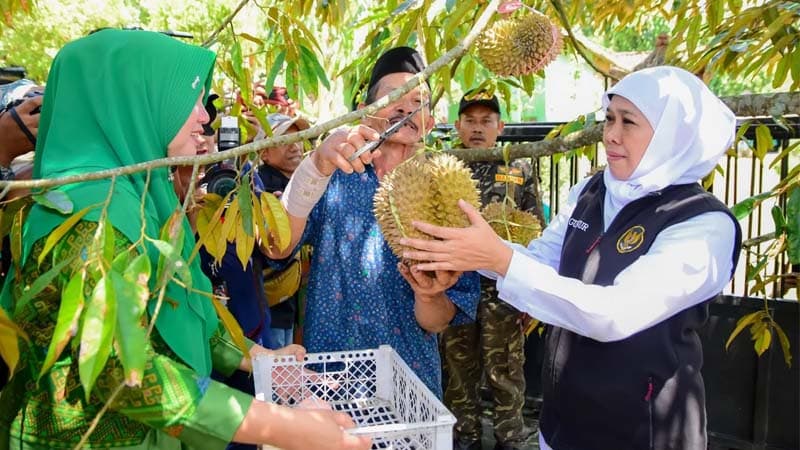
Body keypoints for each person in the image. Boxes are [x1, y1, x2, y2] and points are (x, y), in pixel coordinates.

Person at [0, 29, 370, 450]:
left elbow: (182, 305)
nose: (204, 117)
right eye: (189, 100)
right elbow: (122, 371)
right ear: (133, 103)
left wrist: (255, 357)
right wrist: (286, 428)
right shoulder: (89, 213)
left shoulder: (143, 194)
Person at [399, 66, 743, 450]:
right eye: (609, 118)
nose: (610, 134)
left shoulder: (703, 225)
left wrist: (498, 259)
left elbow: (615, 313)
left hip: (643, 431)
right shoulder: (591, 192)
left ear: (671, 136)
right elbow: (541, 260)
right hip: (563, 421)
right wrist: (464, 251)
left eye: (628, 122)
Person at [266, 47, 480, 397]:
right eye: (394, 96)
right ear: (366, 112)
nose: (405, 108)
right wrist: (314, 167)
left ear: (431, 119)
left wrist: (429, 294)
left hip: (411, 382)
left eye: (418, 101)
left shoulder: (448, 190)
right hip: (331, 378)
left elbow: (438, 320)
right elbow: (279, 246)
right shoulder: (335, 174)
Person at [443, 88, 540, 450]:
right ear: (458, 125)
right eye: (470, 120)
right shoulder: (446, 166)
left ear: (500, 126)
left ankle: (509, 439)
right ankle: (463, 438)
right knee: (457, 370)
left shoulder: (518, 167)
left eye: (486, 121)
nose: (478, 128)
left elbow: (535, 228)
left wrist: (530, 293)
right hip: (456, 285)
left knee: (506, 372)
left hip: (504, 288)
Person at [257, 113, 311, 348]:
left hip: (288, 308)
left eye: (297, 138)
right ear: (264, 153)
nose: (294, 147)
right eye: (283, 142)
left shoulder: (299, 184)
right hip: (270, 309)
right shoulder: (263, 188)